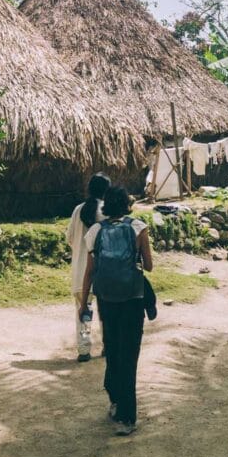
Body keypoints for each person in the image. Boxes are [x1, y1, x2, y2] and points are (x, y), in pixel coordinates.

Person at [80, 184, 153, 436]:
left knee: (112, 349)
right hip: (132, 298)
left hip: (106, 299)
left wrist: (83, 303)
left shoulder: (95, 230)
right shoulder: (138, 227)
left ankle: (114, 399)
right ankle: (127, 417)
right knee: (129, 355)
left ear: (106, 205)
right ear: (127, 204)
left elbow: (89, 271)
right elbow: (150, 265)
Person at [66, 172, 111, 362]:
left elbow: (69, 239)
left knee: (83, 310)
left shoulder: (78, 210)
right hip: (103, 272)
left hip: (79, 272)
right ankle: (107, 346)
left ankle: (84, 350)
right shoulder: (107, 211)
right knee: (106, 311)